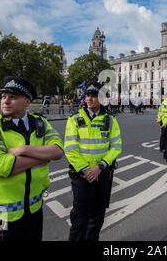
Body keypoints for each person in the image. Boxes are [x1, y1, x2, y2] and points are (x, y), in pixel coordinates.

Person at [0, 76, 64, 241]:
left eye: (13, 97)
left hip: (34, 213)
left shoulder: (40, 123)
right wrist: (42, 157)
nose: (5, 101)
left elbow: (57, 151)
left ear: (27, 102)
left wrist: (24, 149)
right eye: (4, 96)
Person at [65, 82, 122, 241]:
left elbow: (116, 147)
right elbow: (70, 149)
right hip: (81, 177)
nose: (89, 98)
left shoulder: (110, 120)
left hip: (102, 175)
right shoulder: (74, 119)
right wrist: (86, 170)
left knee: (97, 219)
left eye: (94, 95)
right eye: (87, 95)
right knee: (79, 220)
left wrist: (100, 167)